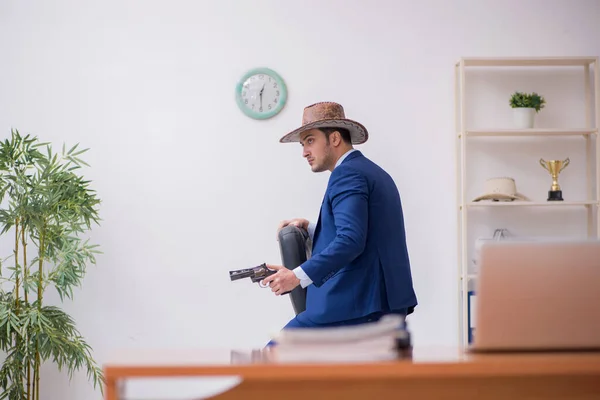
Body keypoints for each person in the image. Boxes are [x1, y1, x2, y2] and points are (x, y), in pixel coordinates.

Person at [262, 101, 417, 331]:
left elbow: (351, 240)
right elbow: (367, 232)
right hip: (379, 306)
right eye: (303, 144)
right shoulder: (369, 170)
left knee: (269, 361)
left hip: (357, 306)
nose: (304, 152)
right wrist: (313, 228)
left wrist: (296, 277)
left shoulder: (347, 174)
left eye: (310, 141)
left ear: (334, 139)